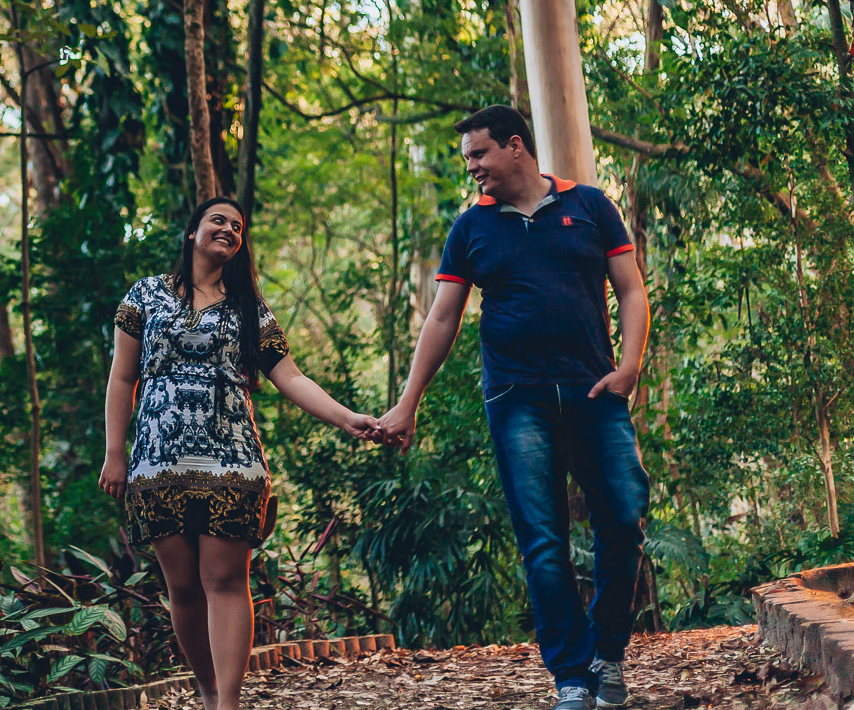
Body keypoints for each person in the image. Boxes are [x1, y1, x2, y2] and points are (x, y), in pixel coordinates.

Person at [377, 106, 650, 710]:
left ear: (516, 147)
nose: (471, 166)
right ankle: (573, 677)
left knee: (625, 517)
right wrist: (407, 403)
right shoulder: (471, 228)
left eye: (479, 154)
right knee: (543, 541)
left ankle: (608, 654)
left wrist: (629, 366)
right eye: (468, 157)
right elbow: (443, 318)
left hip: (593, 390)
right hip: (515, 398)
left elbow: (630, 288)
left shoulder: (592, 206)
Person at [99, 197, 381, 710]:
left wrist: (348, 418)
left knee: (225, 581)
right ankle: (207, 693)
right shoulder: (144, 295)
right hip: (156, 461)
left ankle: (228, 703)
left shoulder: (249, 307)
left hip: (232, 458)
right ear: (193, 232)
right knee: (183, 588)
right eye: (218, 220)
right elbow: (122, 377)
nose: (229, 229)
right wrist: (115, 453)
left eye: (238, 226)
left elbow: (290, 376)